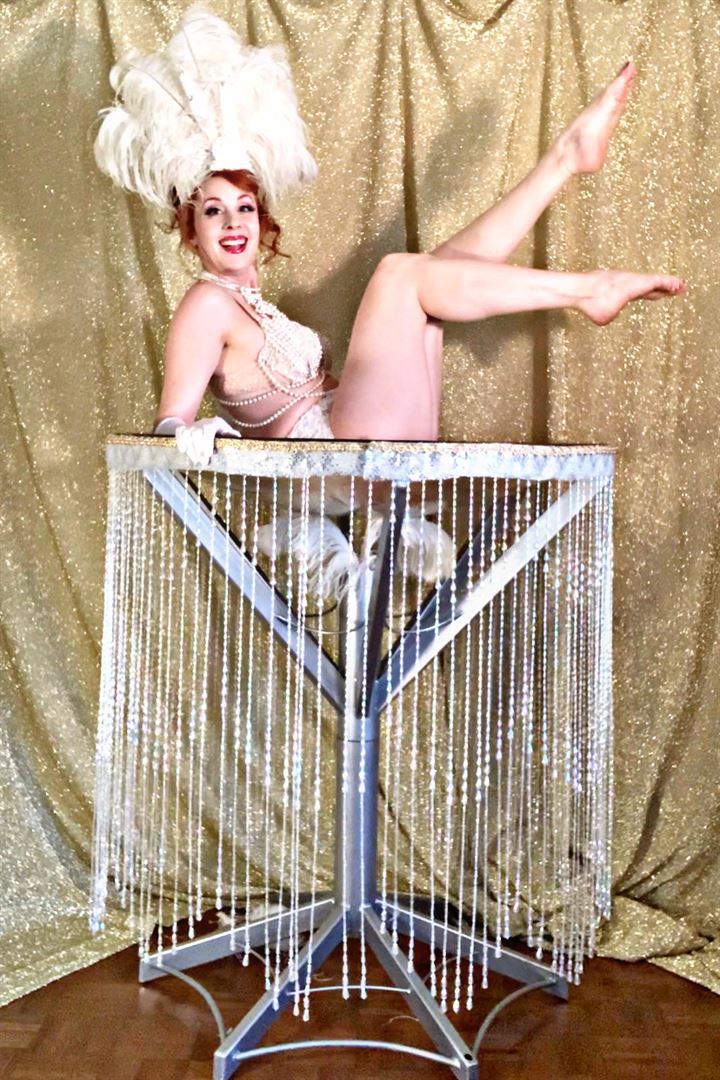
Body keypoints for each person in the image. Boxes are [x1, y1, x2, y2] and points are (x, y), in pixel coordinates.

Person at [96, 10, 685, 467]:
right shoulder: (206, 303)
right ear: (191, 232)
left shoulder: (251, 304)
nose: (232, 223)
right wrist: (194, 435)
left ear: (261, 219)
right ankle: (588, 288)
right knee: (399, 275)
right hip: (338, 465)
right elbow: (169, 423)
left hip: (368, 447)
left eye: (244, 208)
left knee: (432, 279)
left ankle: (563, 160)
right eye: (213, 212)